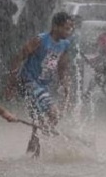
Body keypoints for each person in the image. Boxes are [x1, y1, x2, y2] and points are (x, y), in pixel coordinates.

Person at [5, 11, 73, 157]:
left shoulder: (65, 44)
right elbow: (18, 58)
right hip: (28, 81)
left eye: (71, 28)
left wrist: (66, 87)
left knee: (39, 120)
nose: (70, 31)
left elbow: (62, 68)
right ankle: (38, 146)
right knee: (52, 114)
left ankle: (32, 153)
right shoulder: (40, 40)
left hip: (42, 85)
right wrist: (11, 85)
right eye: (67, 28)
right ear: (55, 26)